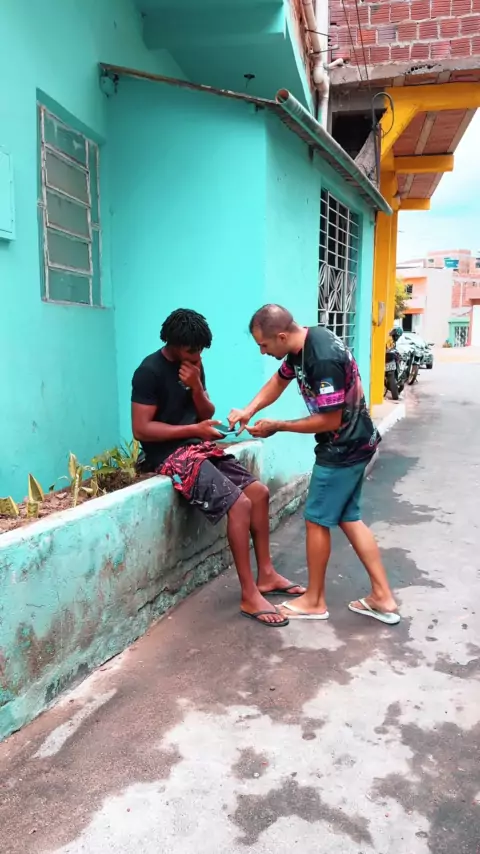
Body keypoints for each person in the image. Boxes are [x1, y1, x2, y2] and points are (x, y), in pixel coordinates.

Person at [131, 308, 305, 628]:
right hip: (168, 455)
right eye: (191, 351)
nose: (197, 356)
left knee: (259, 493)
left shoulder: (194, 365)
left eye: (200, 351)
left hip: (196, 447)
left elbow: (206, 411)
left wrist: (196, 386)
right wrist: (193, 430)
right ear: (173, 344)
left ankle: (266, 575)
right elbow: (141, 429)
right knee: (239, 504)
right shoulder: (148, 372)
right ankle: (249, 594)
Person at [228, 304, 400, 625]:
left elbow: (330, 419)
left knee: (316, 520)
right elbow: (278, 381)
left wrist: (278, 425)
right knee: (349, 517)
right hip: (355, 442)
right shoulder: (301, 347)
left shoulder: (321, 358)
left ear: (281, 336)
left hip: (342, 448)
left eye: (264, 345)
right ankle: (382, 597)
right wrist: (249, 411)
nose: (263, 352)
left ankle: (314, 600)